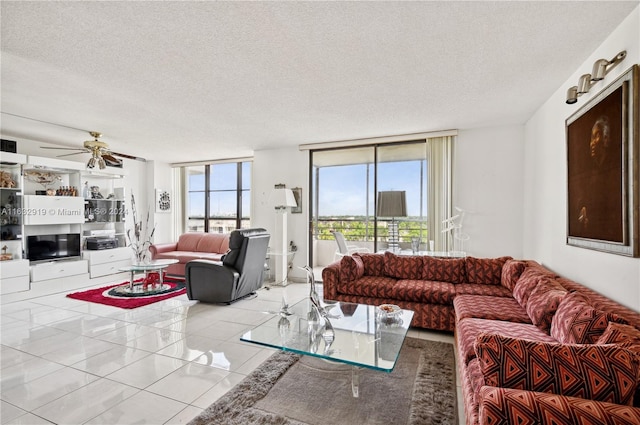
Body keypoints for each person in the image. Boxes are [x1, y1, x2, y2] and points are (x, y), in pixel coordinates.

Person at [572, 115, 623, 242]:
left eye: (596, 136)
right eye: (591, 138)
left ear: (606, 139)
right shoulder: (591, 174)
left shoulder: (615, 171)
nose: (592, 143)